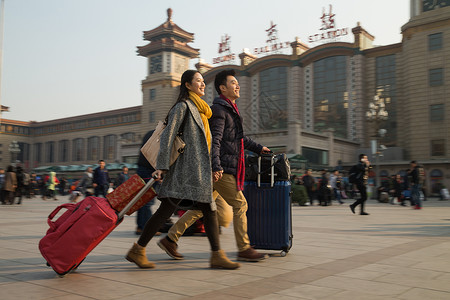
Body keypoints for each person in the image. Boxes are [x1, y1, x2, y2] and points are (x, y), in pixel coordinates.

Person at [125, 69, 239, 270]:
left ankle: (216, 255)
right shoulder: (183, 106)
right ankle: (138, 250)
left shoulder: (203, 110)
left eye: (203, 81)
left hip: (198, 172)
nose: (203, 84)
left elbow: (207, 143)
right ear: (187, 85)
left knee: (209, 210)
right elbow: (168, 137)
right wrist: (161, 166)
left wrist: (214, 166)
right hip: (183, 172)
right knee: (164, 211)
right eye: (198, 81)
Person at [209, 69, 270, 261]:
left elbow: (239, 139)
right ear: (222, 88)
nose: (238, 85)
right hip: (223, 168)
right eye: (233, 82)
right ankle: (244, 248)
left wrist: (259, 148)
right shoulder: (220, 111)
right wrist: (216, 166)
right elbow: (215, 140)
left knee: (198, 209)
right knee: (240, 204)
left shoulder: (230, 109)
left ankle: (170, 238)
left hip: (225, 166)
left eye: (237, 82)